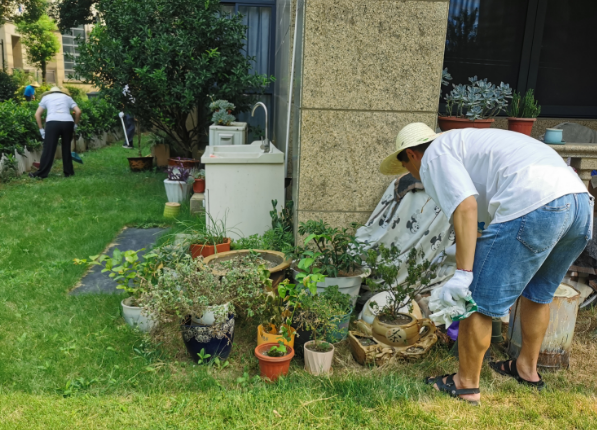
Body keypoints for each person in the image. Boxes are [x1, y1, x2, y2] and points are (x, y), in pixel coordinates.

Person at [380, 123, 591, 405]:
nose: (411, 174)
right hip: (579, 204)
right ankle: (526, 369)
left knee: (476, 299)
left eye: (406, 166)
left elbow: (465, 206)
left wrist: (463, 274)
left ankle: (466, 384)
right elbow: (482, 221)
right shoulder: (467, 144)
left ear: (411, 155)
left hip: (536, 202)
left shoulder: (434, 156)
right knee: (538, 294)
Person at [30, 86, 82, 179]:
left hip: (52, 122)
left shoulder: (46, 98)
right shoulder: (68, 98)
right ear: (60, 92)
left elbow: (37, 114)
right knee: (66, 148)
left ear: (50, 92)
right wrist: (75, 125)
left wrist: (41, 130)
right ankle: (68, 172)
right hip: (68, 122)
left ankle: (42, 174)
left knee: (49, 148)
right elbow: (78, 112)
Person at [122, 84, 135, 148]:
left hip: (129, 109)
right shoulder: (127, 88)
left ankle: (130, 143)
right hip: (129, 109)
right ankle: (126, 143)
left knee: (130, 126)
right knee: (131, 127)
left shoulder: (127, 88)